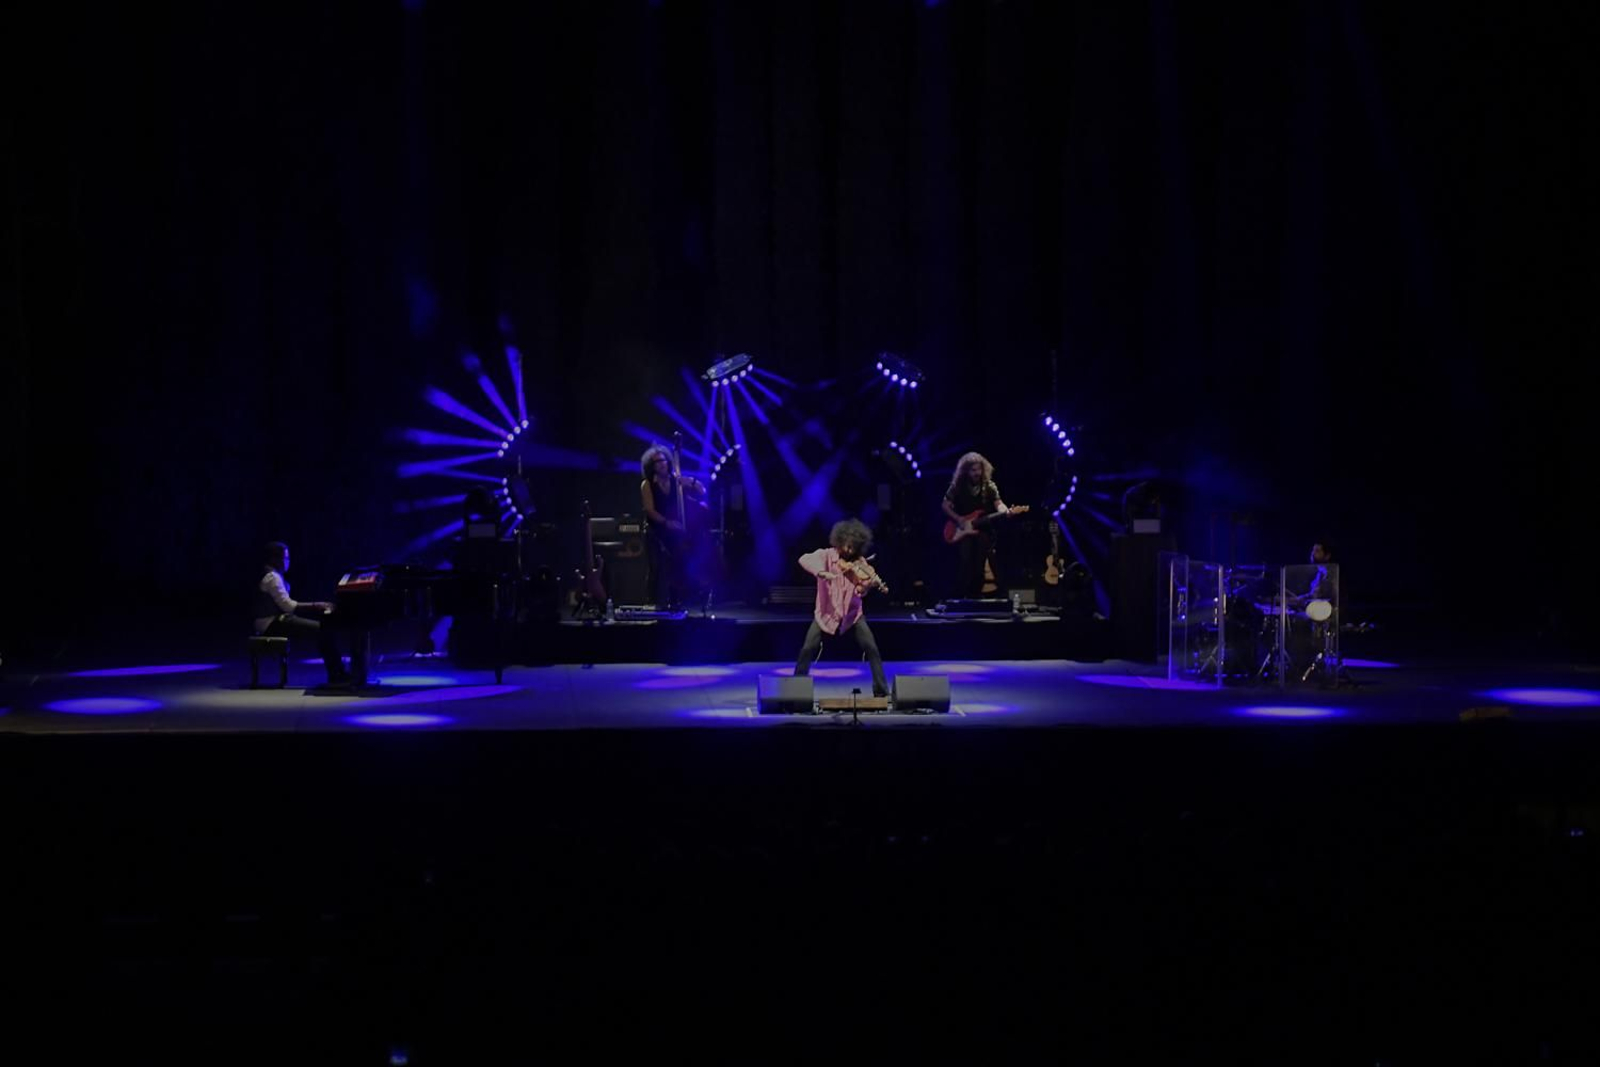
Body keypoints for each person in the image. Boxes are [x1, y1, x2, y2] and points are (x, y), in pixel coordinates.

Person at [793, 518, 890, 698]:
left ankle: (882, 692)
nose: (849, 550)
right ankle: (795, 691)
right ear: (839, 541)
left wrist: (868, 585)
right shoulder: (826, 555)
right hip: (825, 614)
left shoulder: (861, 563)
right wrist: (822, 573)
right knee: (808, 648)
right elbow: (804, 559)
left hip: (852, 615)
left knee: (871, 647)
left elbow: (860, 590)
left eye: (854, 546)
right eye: (847, 545)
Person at [253, 541, 359, 686]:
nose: (287, 561)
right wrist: (316, 605)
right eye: (285, 558)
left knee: (323, 628)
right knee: (322, 630)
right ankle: (337, 675)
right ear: (274, 559)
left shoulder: (274, 575)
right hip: (270, 623)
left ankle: (337, 673)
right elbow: (288, 606)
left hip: (277, 619)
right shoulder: (272, 577)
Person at [639, 443, 711, 610]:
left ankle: (676, 600)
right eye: (657, 462)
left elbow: (701, 489)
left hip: (672, 531)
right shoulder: (647, 484)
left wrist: (693, 482)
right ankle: (652, 602)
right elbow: (649, 510)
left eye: (663, 460)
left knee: (677, 563)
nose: (661, 464)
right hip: (655, 530)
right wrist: (666, 522)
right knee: (656, 566)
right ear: (652, 466)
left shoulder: (675, 480)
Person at [941, 452, 1014, 598]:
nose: (977, 473)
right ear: (966, 471)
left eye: (979, 469)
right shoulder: (957, 486)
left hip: (983, 529)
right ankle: (961, 596)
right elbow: (945, 505)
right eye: (973, 470)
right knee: (965, 561)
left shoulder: (989, 486)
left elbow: (998, 504)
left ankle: (977, 595)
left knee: (980, 562)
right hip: (964, 529)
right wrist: (959, 518)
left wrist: (1006, 511)